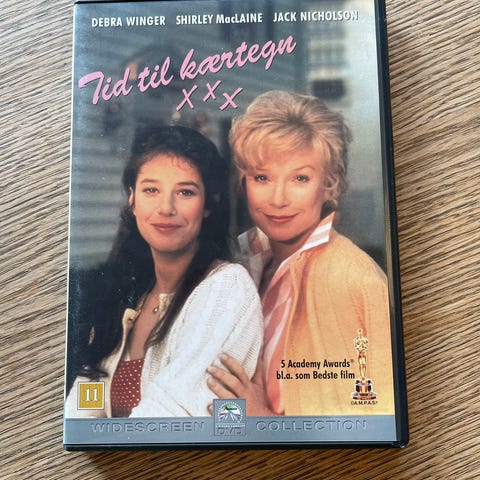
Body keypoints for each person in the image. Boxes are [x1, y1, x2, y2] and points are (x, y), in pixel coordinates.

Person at [207, 91, 395, 416]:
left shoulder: (356, 280)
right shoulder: (237, 261)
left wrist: (265, 424)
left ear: (330, 184)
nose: (278, 199)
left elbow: (377, 421)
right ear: (244, 182)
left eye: (300, 178)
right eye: (262, 177)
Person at [65, 125, 263, 418]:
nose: (166, 208)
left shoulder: (227, 288)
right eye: (151, 190)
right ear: (132, 199)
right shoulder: (130, 294)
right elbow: (83, 409)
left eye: (185, 192)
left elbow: (175, 414)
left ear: (208, 205)